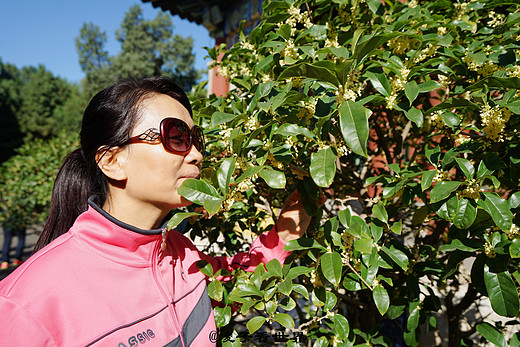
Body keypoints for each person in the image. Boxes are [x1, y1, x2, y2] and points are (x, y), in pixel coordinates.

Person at [0, 76, 315, 346]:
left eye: (196, 139)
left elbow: (247, 277)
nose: (196, 155)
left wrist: (311, 182)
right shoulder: (25, 303)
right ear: (112, 160)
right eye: (176, 136)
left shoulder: (183, 256)